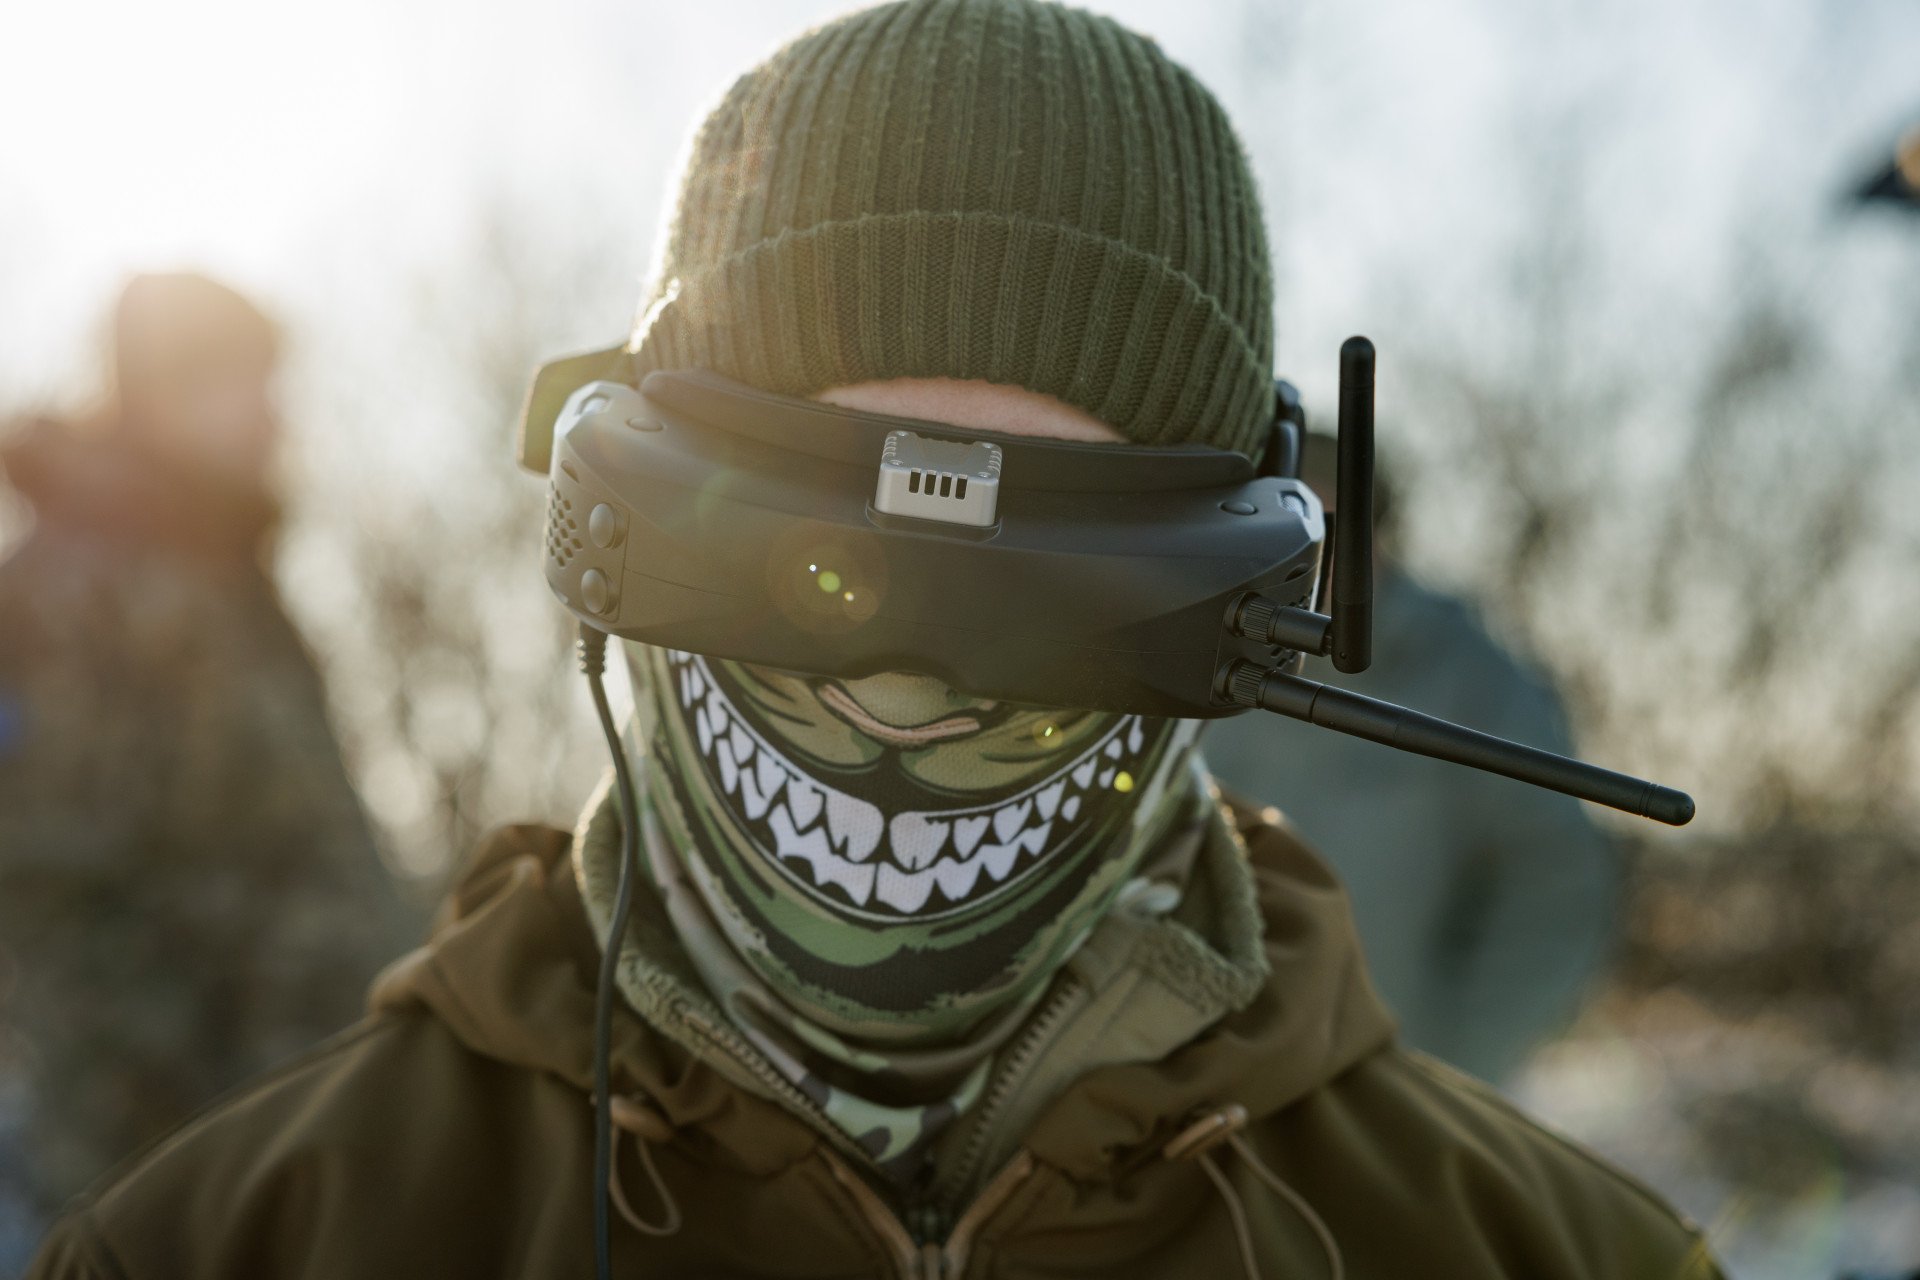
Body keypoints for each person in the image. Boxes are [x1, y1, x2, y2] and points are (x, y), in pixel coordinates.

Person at [27, 6, 1721, 1277]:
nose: (909, 687)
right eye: (806, 562)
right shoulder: (245, 1243)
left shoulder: (1555, 1261)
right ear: (619, 535)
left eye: (1045, 599)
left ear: (1234, 624)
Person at [0, 274, 416, 1265]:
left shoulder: (233, 583)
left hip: (309, 1140)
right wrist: (192, 1156)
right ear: (158, 392)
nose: (277, 415)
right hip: (171, 1175)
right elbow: (57, 895)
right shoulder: (67, 593)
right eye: (246, 383)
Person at [1203, 433, 1620, 1084]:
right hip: (1202, 1087)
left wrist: (1452, 1067)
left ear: (1379, 534)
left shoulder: (1470, 681)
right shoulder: (1200, 661)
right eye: (1275, 521)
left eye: (1321, 522)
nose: (1297, 550)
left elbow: (1553, 883)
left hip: (1393, 1096)